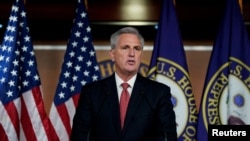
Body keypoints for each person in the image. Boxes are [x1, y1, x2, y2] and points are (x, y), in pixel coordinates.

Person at [71, 27, 177, 141]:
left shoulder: (159, 93)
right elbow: (79, 136)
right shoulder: (92, 93)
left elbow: (168, 137)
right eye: (125, 48)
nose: (132, 54)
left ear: (141, 54)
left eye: (137, 48)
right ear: (112, 54)